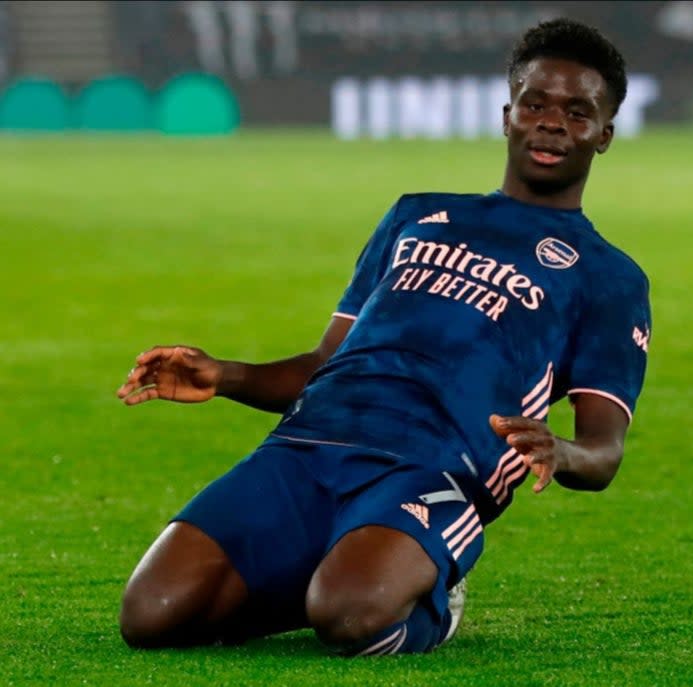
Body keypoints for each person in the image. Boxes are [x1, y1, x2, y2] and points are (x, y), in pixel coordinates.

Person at [116, 17, 652, 656]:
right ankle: (338, 564)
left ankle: (428, 599)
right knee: (151, 616)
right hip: (306, 447)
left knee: (348, 618)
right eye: (535, 104)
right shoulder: (414, 215)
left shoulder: (609, 277)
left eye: (577, 111)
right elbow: (324, 362)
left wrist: (559, 451)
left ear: (605, 134)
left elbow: (604, 452)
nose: (552, 122)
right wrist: (226, 375)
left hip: (432, 469)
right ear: (508, 115)